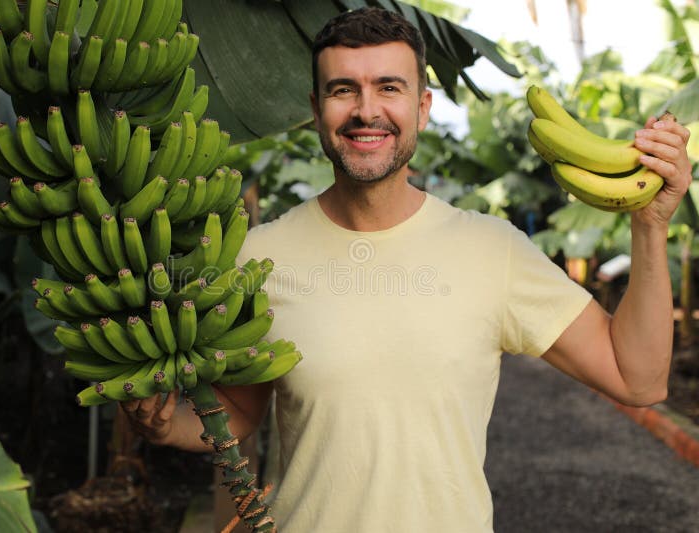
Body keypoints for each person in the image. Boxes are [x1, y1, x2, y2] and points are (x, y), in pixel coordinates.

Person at [121, 7, 693, 532]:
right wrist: (164, 424)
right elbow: (242, 410)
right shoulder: (257, 257)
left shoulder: (491, 250)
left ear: (422, 106)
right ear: (317, 108)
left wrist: (649, 228)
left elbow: (637, 378)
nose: (367, 110)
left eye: (388, 88)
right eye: (344, 89)